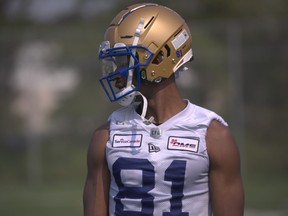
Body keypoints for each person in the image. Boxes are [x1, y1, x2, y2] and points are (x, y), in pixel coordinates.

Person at [83, 3, 244, 216]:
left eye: (124, 60)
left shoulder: (213, 135)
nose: (117, 73)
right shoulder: (105, 136)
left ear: (160, 58)